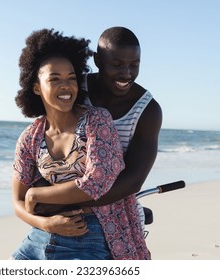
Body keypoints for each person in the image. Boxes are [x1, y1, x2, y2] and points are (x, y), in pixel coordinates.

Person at [26, 27, 162, 259]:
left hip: (110, 206)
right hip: (61, 205)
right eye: (117, 64)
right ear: (98, 60)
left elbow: (133, 181)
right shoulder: (75, 89)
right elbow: (45, 136)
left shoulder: (147, 110)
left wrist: (57, 202)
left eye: (134, 65)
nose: (126, 73)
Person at [11, 28, 126, 260]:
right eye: (54, 79)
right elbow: (18, 201)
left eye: (71, 78)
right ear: (36, 88)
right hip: (41, 235)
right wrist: (46, 223)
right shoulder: (30, 137)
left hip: (91, 233)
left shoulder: (97, 121)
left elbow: (97, 182)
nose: (66, 85)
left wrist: (37, 195)